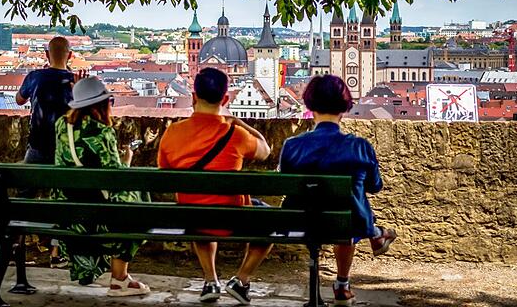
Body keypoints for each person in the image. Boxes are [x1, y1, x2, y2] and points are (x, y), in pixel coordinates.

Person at [277, 74, 397, 306]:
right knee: (349, 207)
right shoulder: (359, 147)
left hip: (300, 222)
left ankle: (376, 233)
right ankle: (344, 280)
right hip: (346, 224)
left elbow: (285, 183)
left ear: (310, 106)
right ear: (345, 107)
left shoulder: (292, 146)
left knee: (344, 209)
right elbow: (375, 186)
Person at [157, 67, 272, 305]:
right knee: (271, 220)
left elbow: (164, 169)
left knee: (200, 207)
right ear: (225, 99)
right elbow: (265, 151)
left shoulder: (172, 133)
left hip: (192, 217)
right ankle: (241, 280)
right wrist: (240, 123)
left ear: (193, 97)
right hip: (233, 218)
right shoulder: (235, 134)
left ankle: (211, 280)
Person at [52, 76, 150, 297]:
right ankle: (120, 279)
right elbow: (114, 178)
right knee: (140, 213)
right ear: (102, 104)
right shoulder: (101, 132)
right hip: (94, 216)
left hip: (67, 213)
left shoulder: (61, 125)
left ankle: (86, 269)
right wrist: (127, 159)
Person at [15, 36, 80, 267]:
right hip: (64, 150)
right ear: (70, 56)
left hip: (37, 146)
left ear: (46, 55)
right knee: (62, 201)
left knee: (24, 198)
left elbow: (19, 99)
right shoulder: (75, 81)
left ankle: (16, 246)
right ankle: (56, 253)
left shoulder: (35, 77)